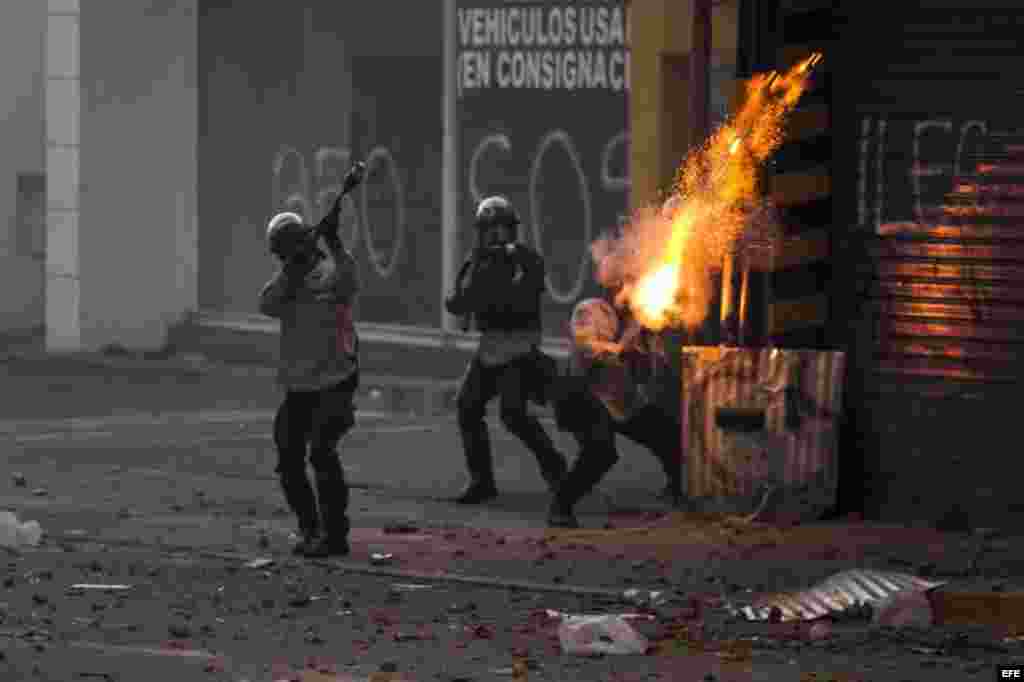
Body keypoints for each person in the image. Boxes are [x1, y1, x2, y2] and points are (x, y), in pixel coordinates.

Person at [258, 163, 365, 558]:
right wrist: (292, 270)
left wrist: (335, 245)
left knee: (322, 452)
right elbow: (266, 304)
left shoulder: (328, 272)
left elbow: (349, 285)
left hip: (335, 380)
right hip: (299, 386)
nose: (287, 256)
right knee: (288, 458)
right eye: (283, 253)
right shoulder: (285, 284)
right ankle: (309, 528)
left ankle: (335, 535)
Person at [444, 196, 568, 505]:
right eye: (490, 230)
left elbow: (527, 293)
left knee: (513, 414)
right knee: (467, 406)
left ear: (512, 230)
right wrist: (463, 299)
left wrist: (495, 287)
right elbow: (462, 300)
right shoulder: (477, 262)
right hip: (490, 348)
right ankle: (482, 481)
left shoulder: (526, 260)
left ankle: (555, 468)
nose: (496, 236)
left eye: (502, 229)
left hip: (520, 347)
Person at [547, 297, 691, 529]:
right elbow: (600, 352)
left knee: (665, 431)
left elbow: (637, 373)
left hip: (616, 403)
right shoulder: (585, 342)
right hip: (581, 405)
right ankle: (561, 506)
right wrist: (627, 344)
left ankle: (676, 490)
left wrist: (643, 348)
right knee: (600, 452)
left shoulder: (616, 346)